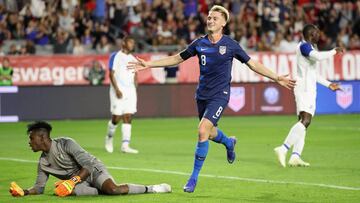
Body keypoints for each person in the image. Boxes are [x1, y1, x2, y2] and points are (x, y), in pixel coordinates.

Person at [128, 5, 296, 193]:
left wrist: (277, 77)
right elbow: (177, 58)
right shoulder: (199, 43)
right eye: (209, 17)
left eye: (215, 18)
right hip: (202, 95)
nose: (210, 20)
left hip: (220, 95)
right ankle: (229, 143)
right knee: (209, 132)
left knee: (202, 131)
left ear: (224, 23)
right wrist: (148, 64)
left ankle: (193, 178)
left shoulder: (231, 45)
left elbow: (253, 64)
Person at [9, 121, 171, 197]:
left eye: (31, 139)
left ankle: (153, 188)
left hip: (92, 170)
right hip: (79, 181)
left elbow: (87, 165)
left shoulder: (66, 143)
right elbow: (39, 187)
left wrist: (72, 182)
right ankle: (97, 189)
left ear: (42, 137)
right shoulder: (43, 162)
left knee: (113, 190)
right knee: (62, 192)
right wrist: (24, 192)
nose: (29, 142)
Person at [274, 24, 343, 167]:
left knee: (303, 123)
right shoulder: (304, 47)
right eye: (317, 33)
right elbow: (318, 57)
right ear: (311, 34)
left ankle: (295, 156)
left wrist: (328, 84)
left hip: (309, 88)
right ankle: (283, 148)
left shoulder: (310, 48)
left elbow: (313, 74)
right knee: (306, 120)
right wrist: (334, 51)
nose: (319, 35)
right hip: (303, 88)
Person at [105, 36, 139, 154]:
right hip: (118, 90)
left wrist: (136, 85)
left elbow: (135, 73)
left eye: (133, 43)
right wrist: (117, 89)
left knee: (128, 116)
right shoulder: (115, 56)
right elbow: (111, 73)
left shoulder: (133, 58)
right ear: (124, 43)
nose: (132, 45)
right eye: (130, 42)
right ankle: (109, 138)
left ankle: (125, 145)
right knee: (116, 118)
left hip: (130, 91)